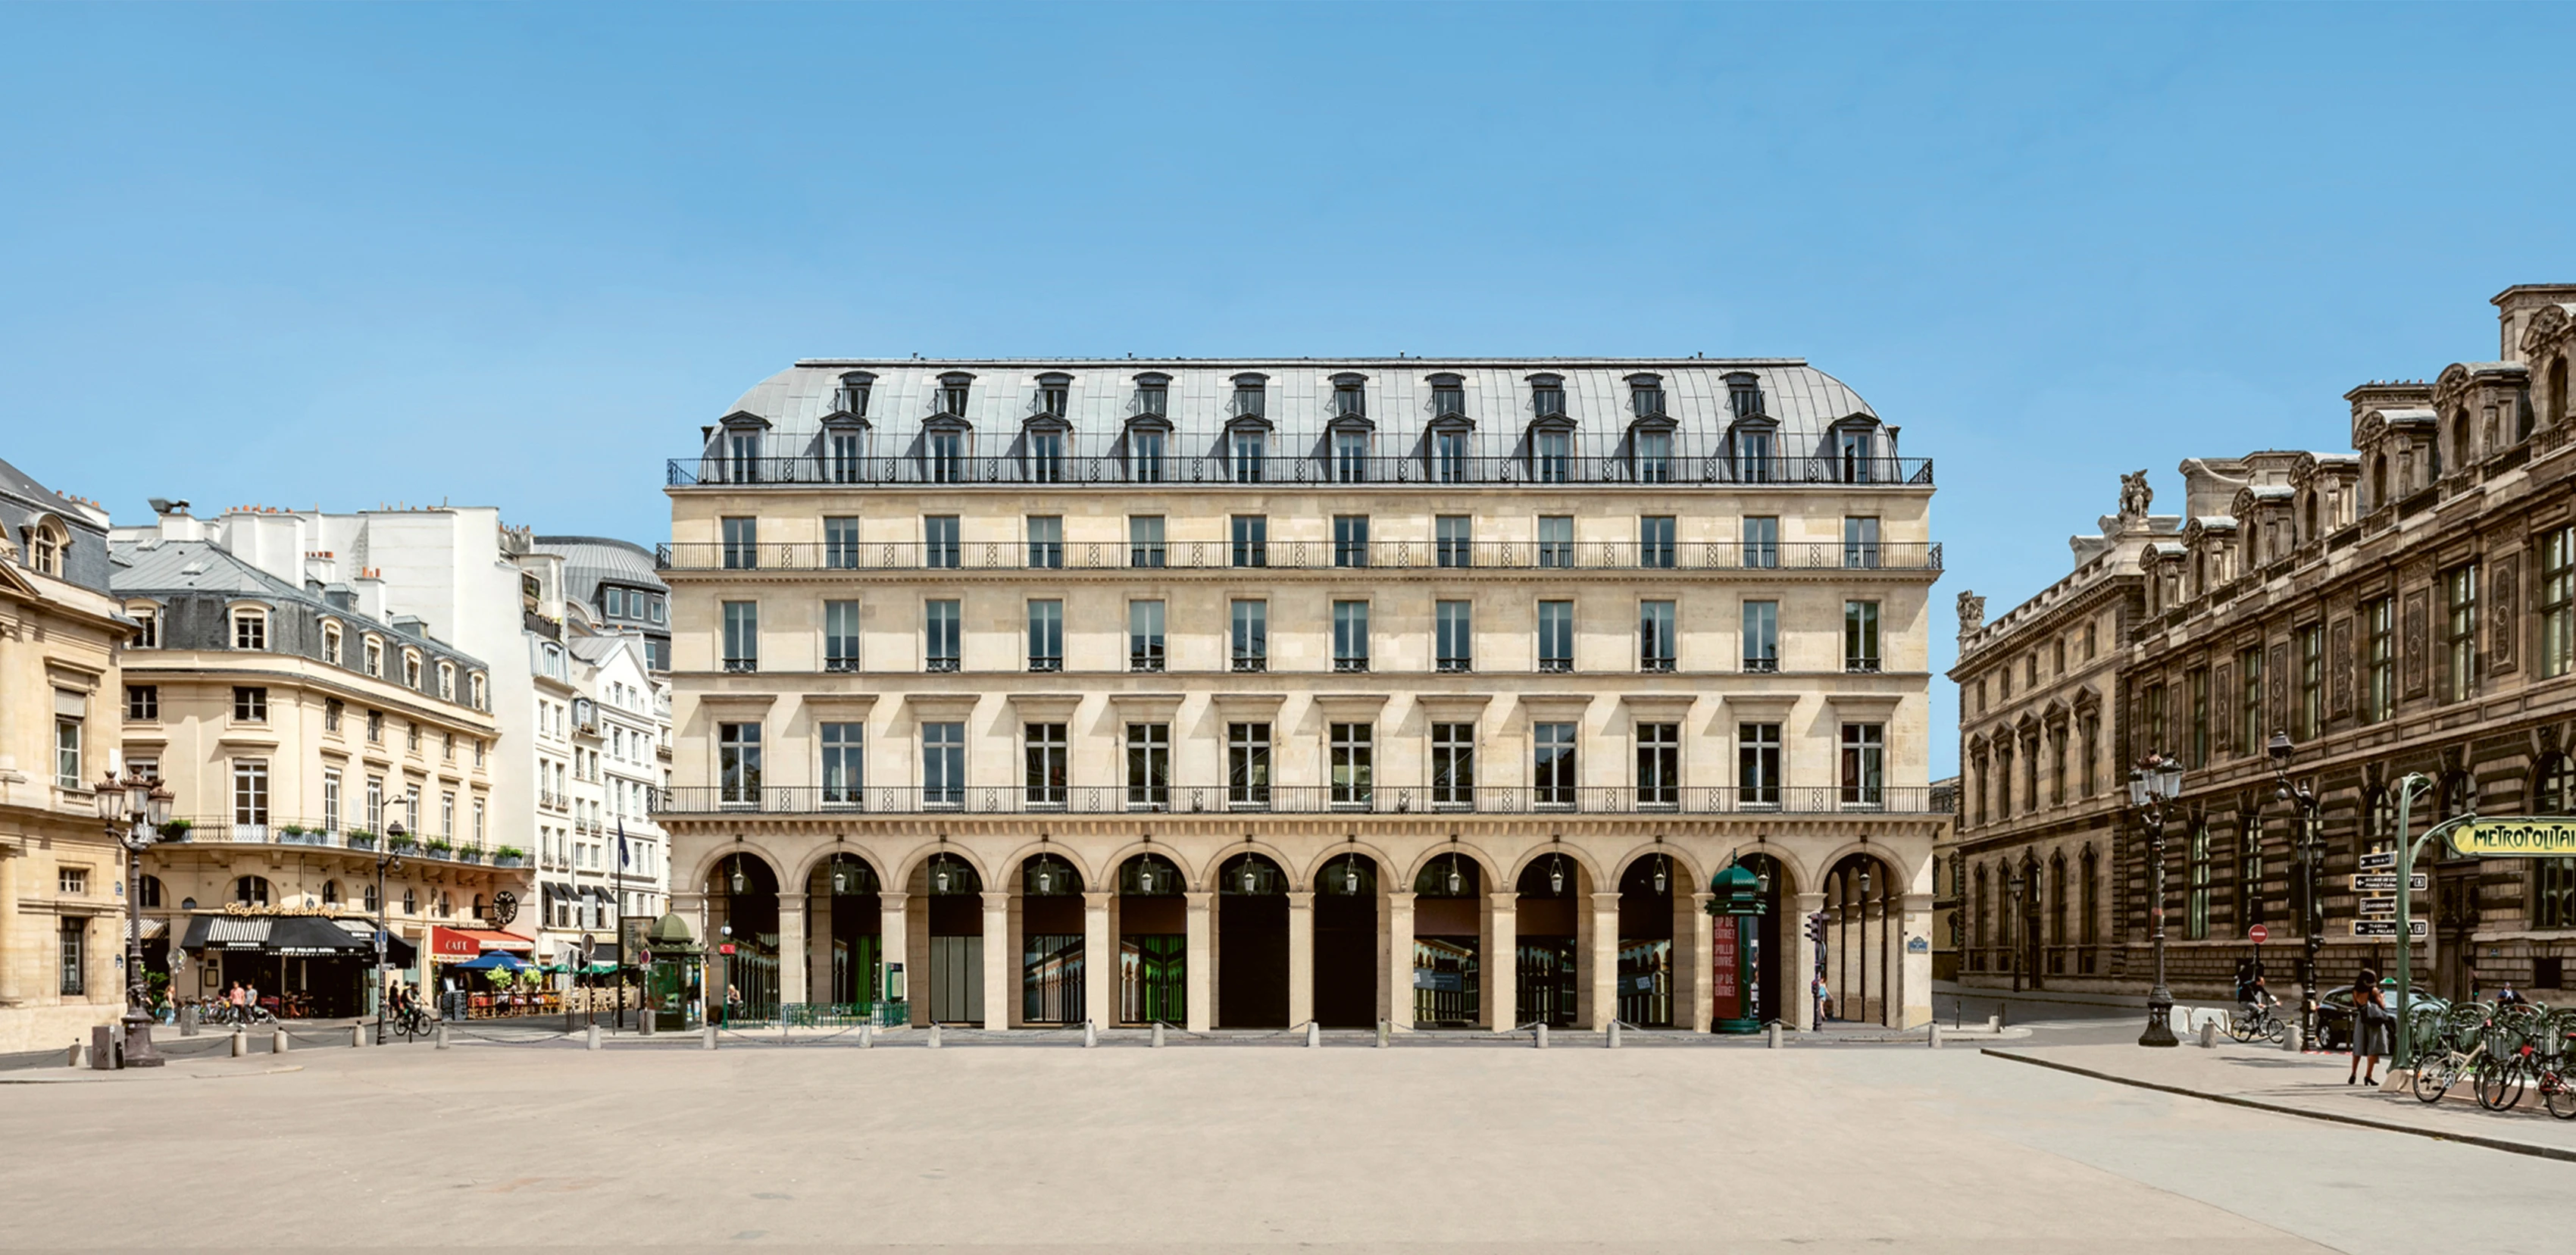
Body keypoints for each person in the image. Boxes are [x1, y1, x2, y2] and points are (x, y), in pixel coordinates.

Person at [2349, 969, 2388, 1086]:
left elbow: (2356, 1006)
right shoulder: (2373, 991)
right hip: (2373, 1020)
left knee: (2358, 1046)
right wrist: (2382, 996)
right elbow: (2382, 1006)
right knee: (2373, 1047)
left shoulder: (2355, 991)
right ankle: (2368, 1076)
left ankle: (2353, 1073)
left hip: (2361, 1019)